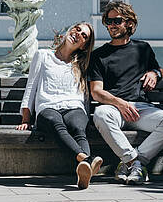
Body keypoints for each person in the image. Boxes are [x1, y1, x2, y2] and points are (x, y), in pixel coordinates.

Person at [89, 1, 163, 185]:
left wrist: (155, 73)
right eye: (108, 21)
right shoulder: (98, 56)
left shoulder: (142, 49)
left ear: (129, 23)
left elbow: (157, 69)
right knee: (100, 114)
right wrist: (119, 103)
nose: (112, 25)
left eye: (117, 21)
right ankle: (134, 162)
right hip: (114, 109)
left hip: (141, 109)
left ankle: (132, 163)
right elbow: (96, 92)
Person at [17, 22, 103, 189]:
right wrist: (26, 118)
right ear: (70, 29)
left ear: (84, 46)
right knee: (56, 123)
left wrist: (85, 118)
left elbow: (84, 95)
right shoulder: (42, 55)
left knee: (79, 128)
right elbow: (31, 87)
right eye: (77, 29)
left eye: (84, 35)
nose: (78, 34)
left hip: (74, 107)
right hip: (47, 108)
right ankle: (87, 161)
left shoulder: (81, 64)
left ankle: (84, 171)